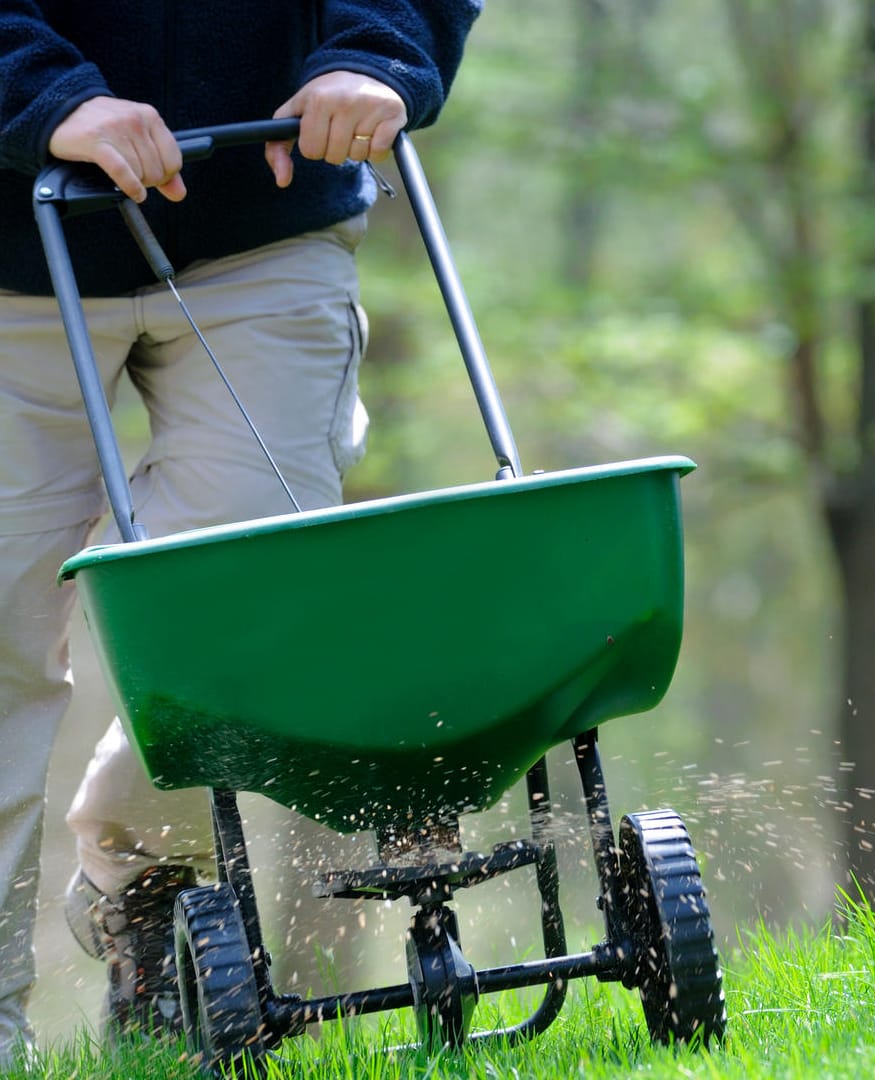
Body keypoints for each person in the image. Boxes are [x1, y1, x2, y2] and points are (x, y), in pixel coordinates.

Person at [0, 0, 483, 1059]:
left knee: (246, 617)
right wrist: (47, 95)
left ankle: (147, 887)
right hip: (9, 246)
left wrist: (374, 55)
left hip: (258, 225)